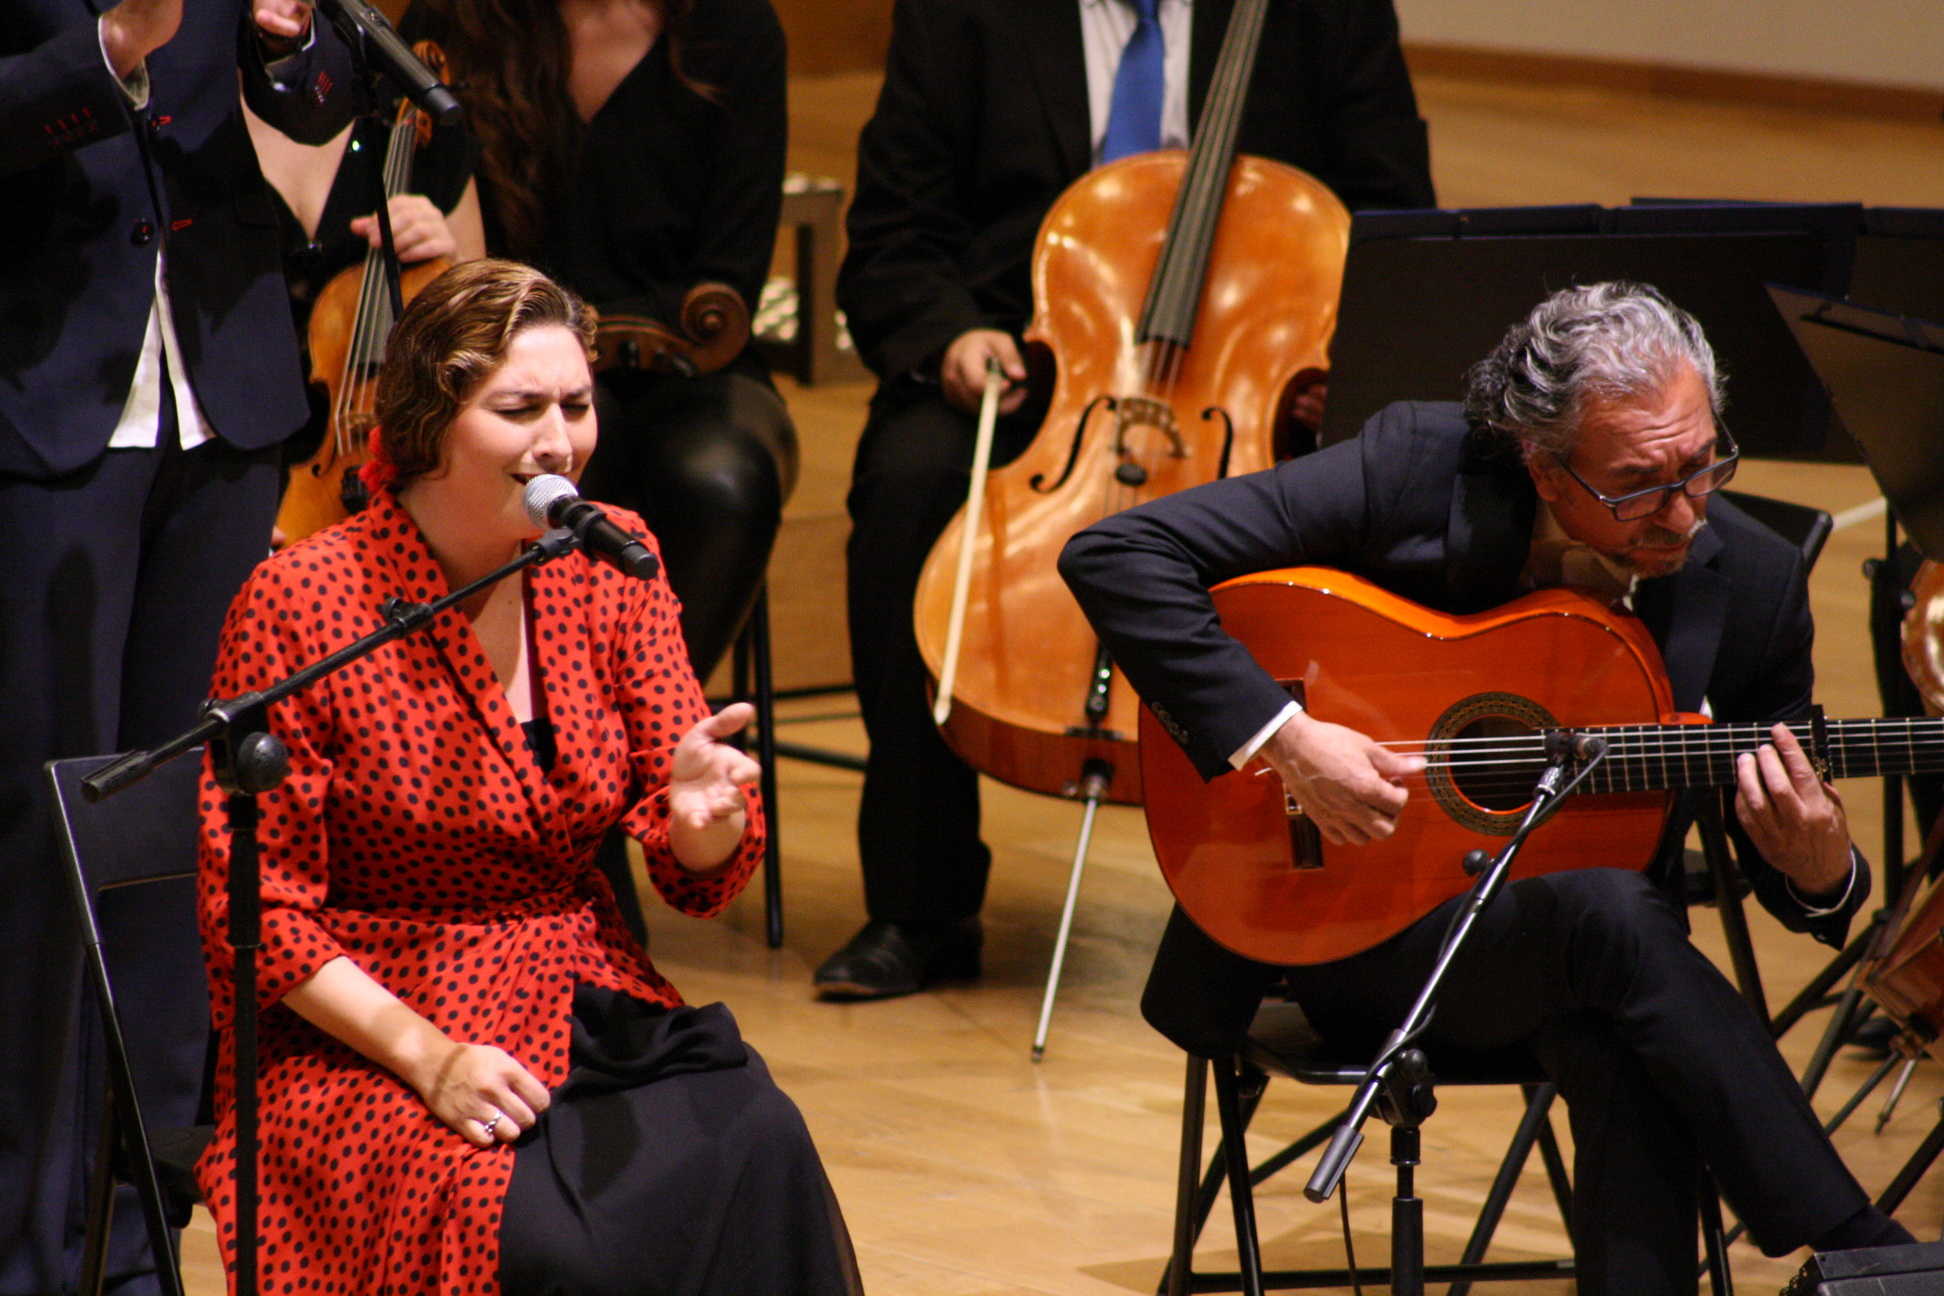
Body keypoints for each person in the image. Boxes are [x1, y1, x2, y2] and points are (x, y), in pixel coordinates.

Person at [1058, 281, 1916, 1293]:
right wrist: (1288, 740)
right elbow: (1118, 551)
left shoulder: (1756, 586)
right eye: (1639, 485)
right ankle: (1871, 1254)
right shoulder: (1416, 469)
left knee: (1621, 995)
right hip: (1346, 925)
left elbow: (1787, 877)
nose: (1685, 512)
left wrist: (1823, 870)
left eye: (1703, 464)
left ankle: (1862, 1262)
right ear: (1541, 464)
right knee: (1622, 934)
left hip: (1571, 957)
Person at [193, 259, 861, 1295]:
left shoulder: (608, 560)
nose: (560, 441)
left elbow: (695, 870)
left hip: (575, 987)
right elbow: (264, 916)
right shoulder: (304, 599)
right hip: (372, 1025)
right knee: (548, 1243)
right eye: (521, 409)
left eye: (578, 405)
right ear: (430, 424)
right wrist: (429, 1059)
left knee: (759, 1142)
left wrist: (704, 817)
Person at [818, 0, 1440, 998]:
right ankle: (919, 905)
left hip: (1250, 379)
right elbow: (894, 229)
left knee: (1349, 522)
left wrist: (1337, 362)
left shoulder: (1322, 16)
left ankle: (1297, 913)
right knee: (908, 486)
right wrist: (949, 339)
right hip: (1034, 362)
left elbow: (1395, 216)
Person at [0, 3, 356, 1291]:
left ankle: (141, 1224)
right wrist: (112, 49)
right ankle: (29, 1241)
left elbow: (324, 108)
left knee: (184, 836)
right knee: (51, 839)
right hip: (44, 411)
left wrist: (284, 39)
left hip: (228, 397)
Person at [397, 0, 797, 681]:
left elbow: (729, 280)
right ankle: (532, 714)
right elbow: (435, 223)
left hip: (693, 371)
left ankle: (659, 729)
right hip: (502, 363)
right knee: (555, 441)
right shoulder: (454, 22)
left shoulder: (731, 27)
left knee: (722, 480)